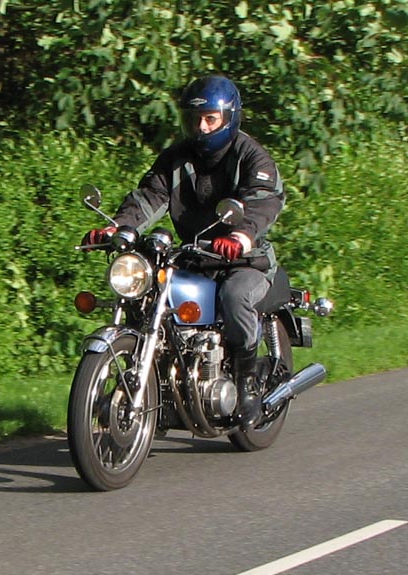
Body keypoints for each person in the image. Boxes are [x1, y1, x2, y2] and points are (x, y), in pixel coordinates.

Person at [82, 74, 284, 430]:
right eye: (194, 119)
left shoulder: (252, 157)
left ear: (229, 118)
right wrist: (119, 227)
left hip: (244, 261)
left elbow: (263, 200)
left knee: (235, 296)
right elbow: (150, 195)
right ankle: (158, 385)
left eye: (210, 119)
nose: (201, 127)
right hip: (194, 257)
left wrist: (241, 235)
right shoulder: (176, 158)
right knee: (146, 298)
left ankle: (247, 384)